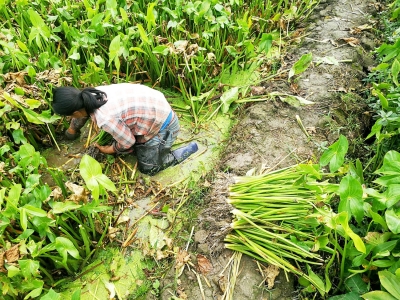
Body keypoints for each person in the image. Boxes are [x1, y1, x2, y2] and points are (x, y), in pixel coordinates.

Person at [52, 83, 198, 176]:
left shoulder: (105, 118)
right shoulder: (92, 94)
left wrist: (108, 149)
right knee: (123, 138)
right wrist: (71, 131)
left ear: (75, 112)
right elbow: (81, 115)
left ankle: (184, 151)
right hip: (154, 107)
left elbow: (128, 142)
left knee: (148, 169)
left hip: (164, 126)